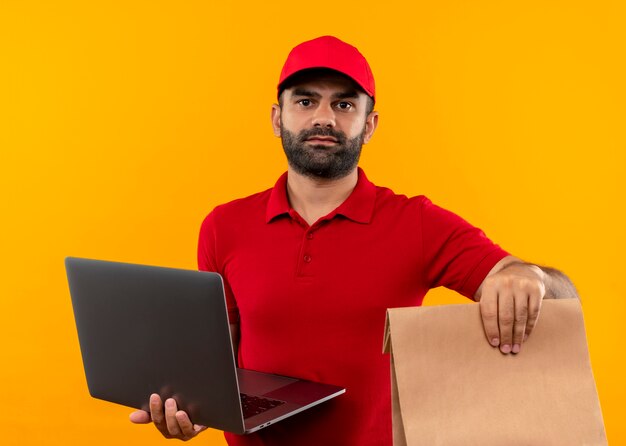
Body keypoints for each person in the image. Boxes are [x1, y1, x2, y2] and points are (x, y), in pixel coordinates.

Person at [129, 36, 578, 445]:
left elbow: (560, 298)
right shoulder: (223, 226)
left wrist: (529, 277)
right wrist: (193, 405)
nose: (323, 117)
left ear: (370, 124)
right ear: (276, 117)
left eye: (344, 106)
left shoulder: (416, 222)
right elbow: (218, 361)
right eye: (305, 101)